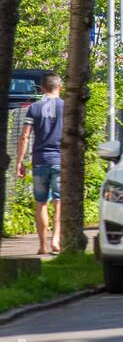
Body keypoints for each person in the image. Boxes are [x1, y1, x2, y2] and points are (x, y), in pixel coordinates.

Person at [14, 73, 64, 254]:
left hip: (39, 161)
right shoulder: (66, 107)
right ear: (59, 87)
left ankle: (42, 245)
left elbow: (25, 136)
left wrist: (20, 161)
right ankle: (56, 240)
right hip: (60, 161)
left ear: (42, 88)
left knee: (41, 202)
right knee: (59, 202)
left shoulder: (34, 108)